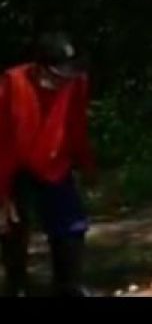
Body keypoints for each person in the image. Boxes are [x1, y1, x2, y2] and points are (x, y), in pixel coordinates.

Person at [0, 33, 95, 297]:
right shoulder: (12, 83)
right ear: (39, 68)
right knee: (13, 227)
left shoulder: (75, 83)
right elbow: (3, 138)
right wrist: (3, 193)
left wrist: (86, 164)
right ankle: (16, 283)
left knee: (71, 225)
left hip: (55, 161)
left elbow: (76, 126)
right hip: (15, 164)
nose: (63, 81)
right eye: (58, 75)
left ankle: (68, 285)